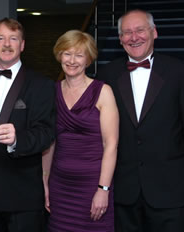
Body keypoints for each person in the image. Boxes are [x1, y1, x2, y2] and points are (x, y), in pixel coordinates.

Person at [96, 9, 184, 232]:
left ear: (154, 32)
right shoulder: (107, 74)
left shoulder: (179, 72)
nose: (134, 37)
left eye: (140, 30)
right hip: (124, 189)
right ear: (120, 39)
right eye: (127, 32)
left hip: (170, 188)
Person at [0, 18, 55, 232]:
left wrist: (17, 139)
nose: (7, 44)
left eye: (13, 38)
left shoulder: (41, 84)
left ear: (22, 45)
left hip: (21, 192)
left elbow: (46, 133)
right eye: (1, 38)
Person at [42, 30, 119, 232]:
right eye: (67, 53)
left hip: (92, 185)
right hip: (60, 185)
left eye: (79, 54)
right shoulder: (53, 91)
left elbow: (110, 145)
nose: (72, 60)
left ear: (89, 59)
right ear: (59, 56)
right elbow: (50, 142)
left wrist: (103, 189)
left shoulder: (103, 92)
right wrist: (45, 181)